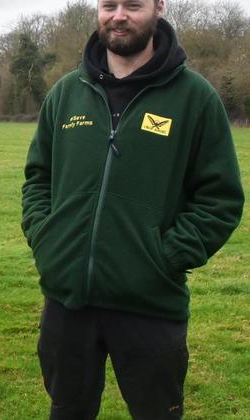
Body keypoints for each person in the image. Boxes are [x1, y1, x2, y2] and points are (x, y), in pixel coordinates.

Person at [21, 0, 244, 418]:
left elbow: (220, 199)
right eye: (109, 4)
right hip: (67, 303)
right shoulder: (66, 93)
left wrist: (164, 258)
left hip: (150, 305)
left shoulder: (195, 98)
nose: (119, 15)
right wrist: (47, 239)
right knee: (66, 409)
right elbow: (38, 179)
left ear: (160, 6)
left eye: (134, 5)